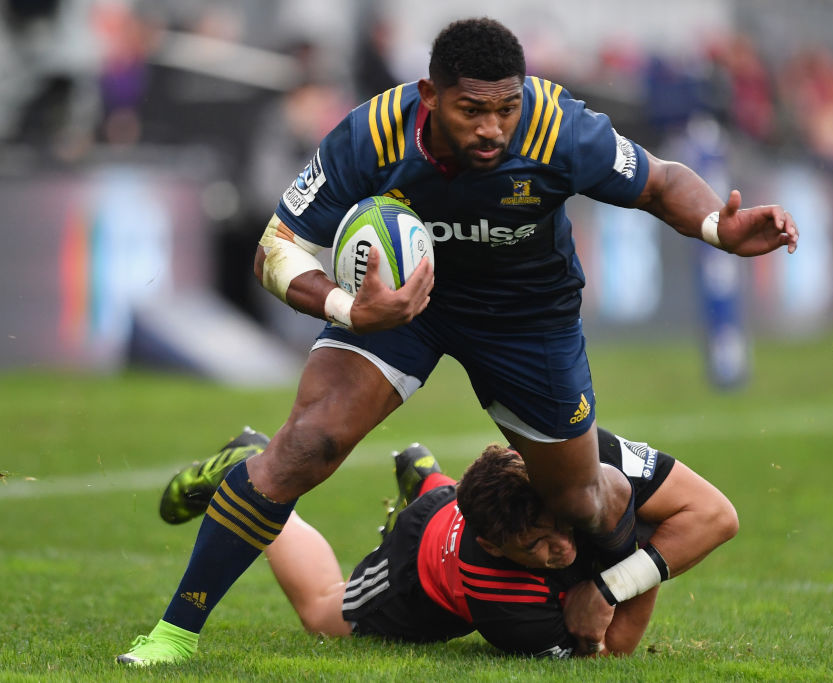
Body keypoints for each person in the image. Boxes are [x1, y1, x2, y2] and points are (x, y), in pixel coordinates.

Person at [117, 17, 797, 665]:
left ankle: (575, 586)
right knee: (307, 445)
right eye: (472, 110)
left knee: (581, 502)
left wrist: (717, 228)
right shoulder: (371, 135)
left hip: (527, 320)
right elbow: (276, 246)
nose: (493, 127)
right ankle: (174, 633)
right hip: (407, 309)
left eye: (506, 108)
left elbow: (660, 181)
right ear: (429, 97)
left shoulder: (559, 126)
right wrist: (349, 307)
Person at [155, 426, 738, 658]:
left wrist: (615, 577)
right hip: (421, 567)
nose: (559, 548)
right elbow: (613, 645)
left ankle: (429, 478)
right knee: (322, 610)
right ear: (498, 547)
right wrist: (626, 564)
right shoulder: (497, 594)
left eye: (558, 526)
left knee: (569, 517)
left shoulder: (585, 457)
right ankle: (253, 469)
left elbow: (716, 516)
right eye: (535, 548)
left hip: (470, 500)